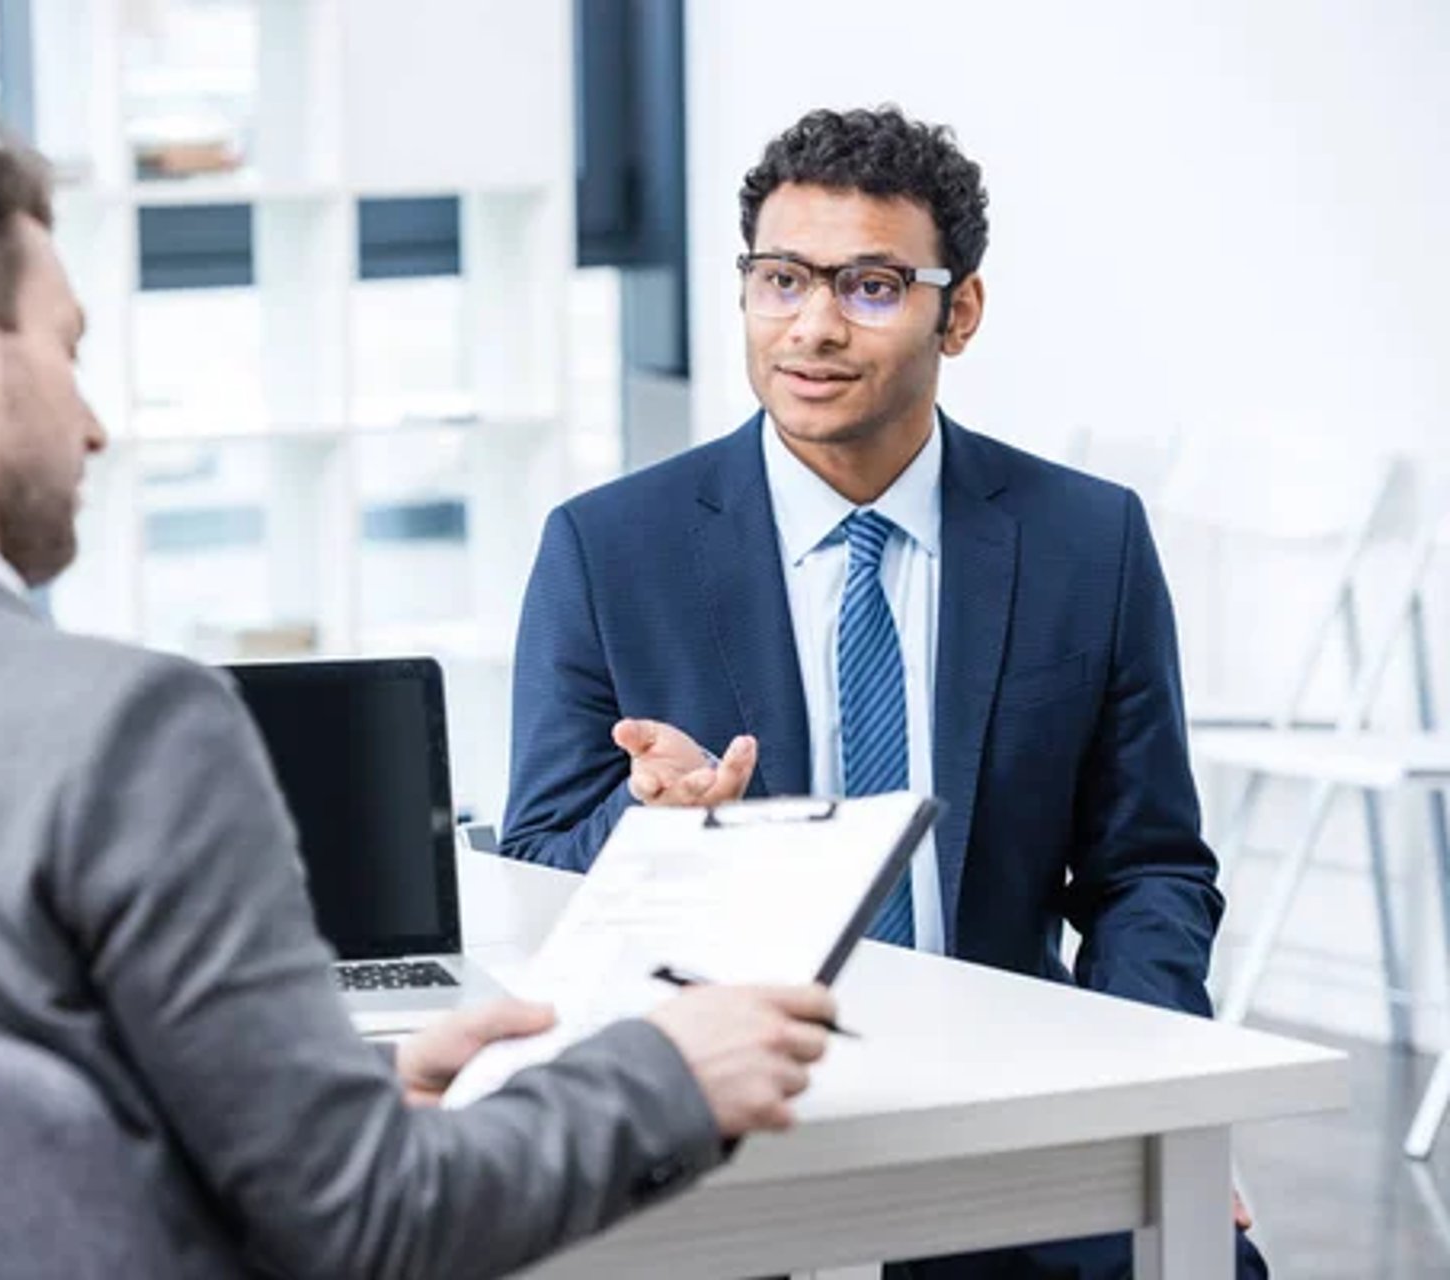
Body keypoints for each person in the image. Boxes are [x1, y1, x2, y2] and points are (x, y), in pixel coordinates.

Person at [0, 100, 842, 1280]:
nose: (94, 424)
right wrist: (663, 1070)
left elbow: (8, 1159)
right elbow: (375, 1225)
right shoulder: (125, 730)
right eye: (66, 346)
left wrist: (349, 1100)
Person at [500, 106, 1265, 1278]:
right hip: (720, 1117)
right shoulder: (610, 548)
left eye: (869, 285)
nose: (813, 327)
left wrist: (1157, 1097)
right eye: (782, 279)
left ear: (957, 310)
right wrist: (651, 830)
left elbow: (1148, 868)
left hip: (1007, 1098)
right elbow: (534, 870)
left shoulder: (1085, 539)